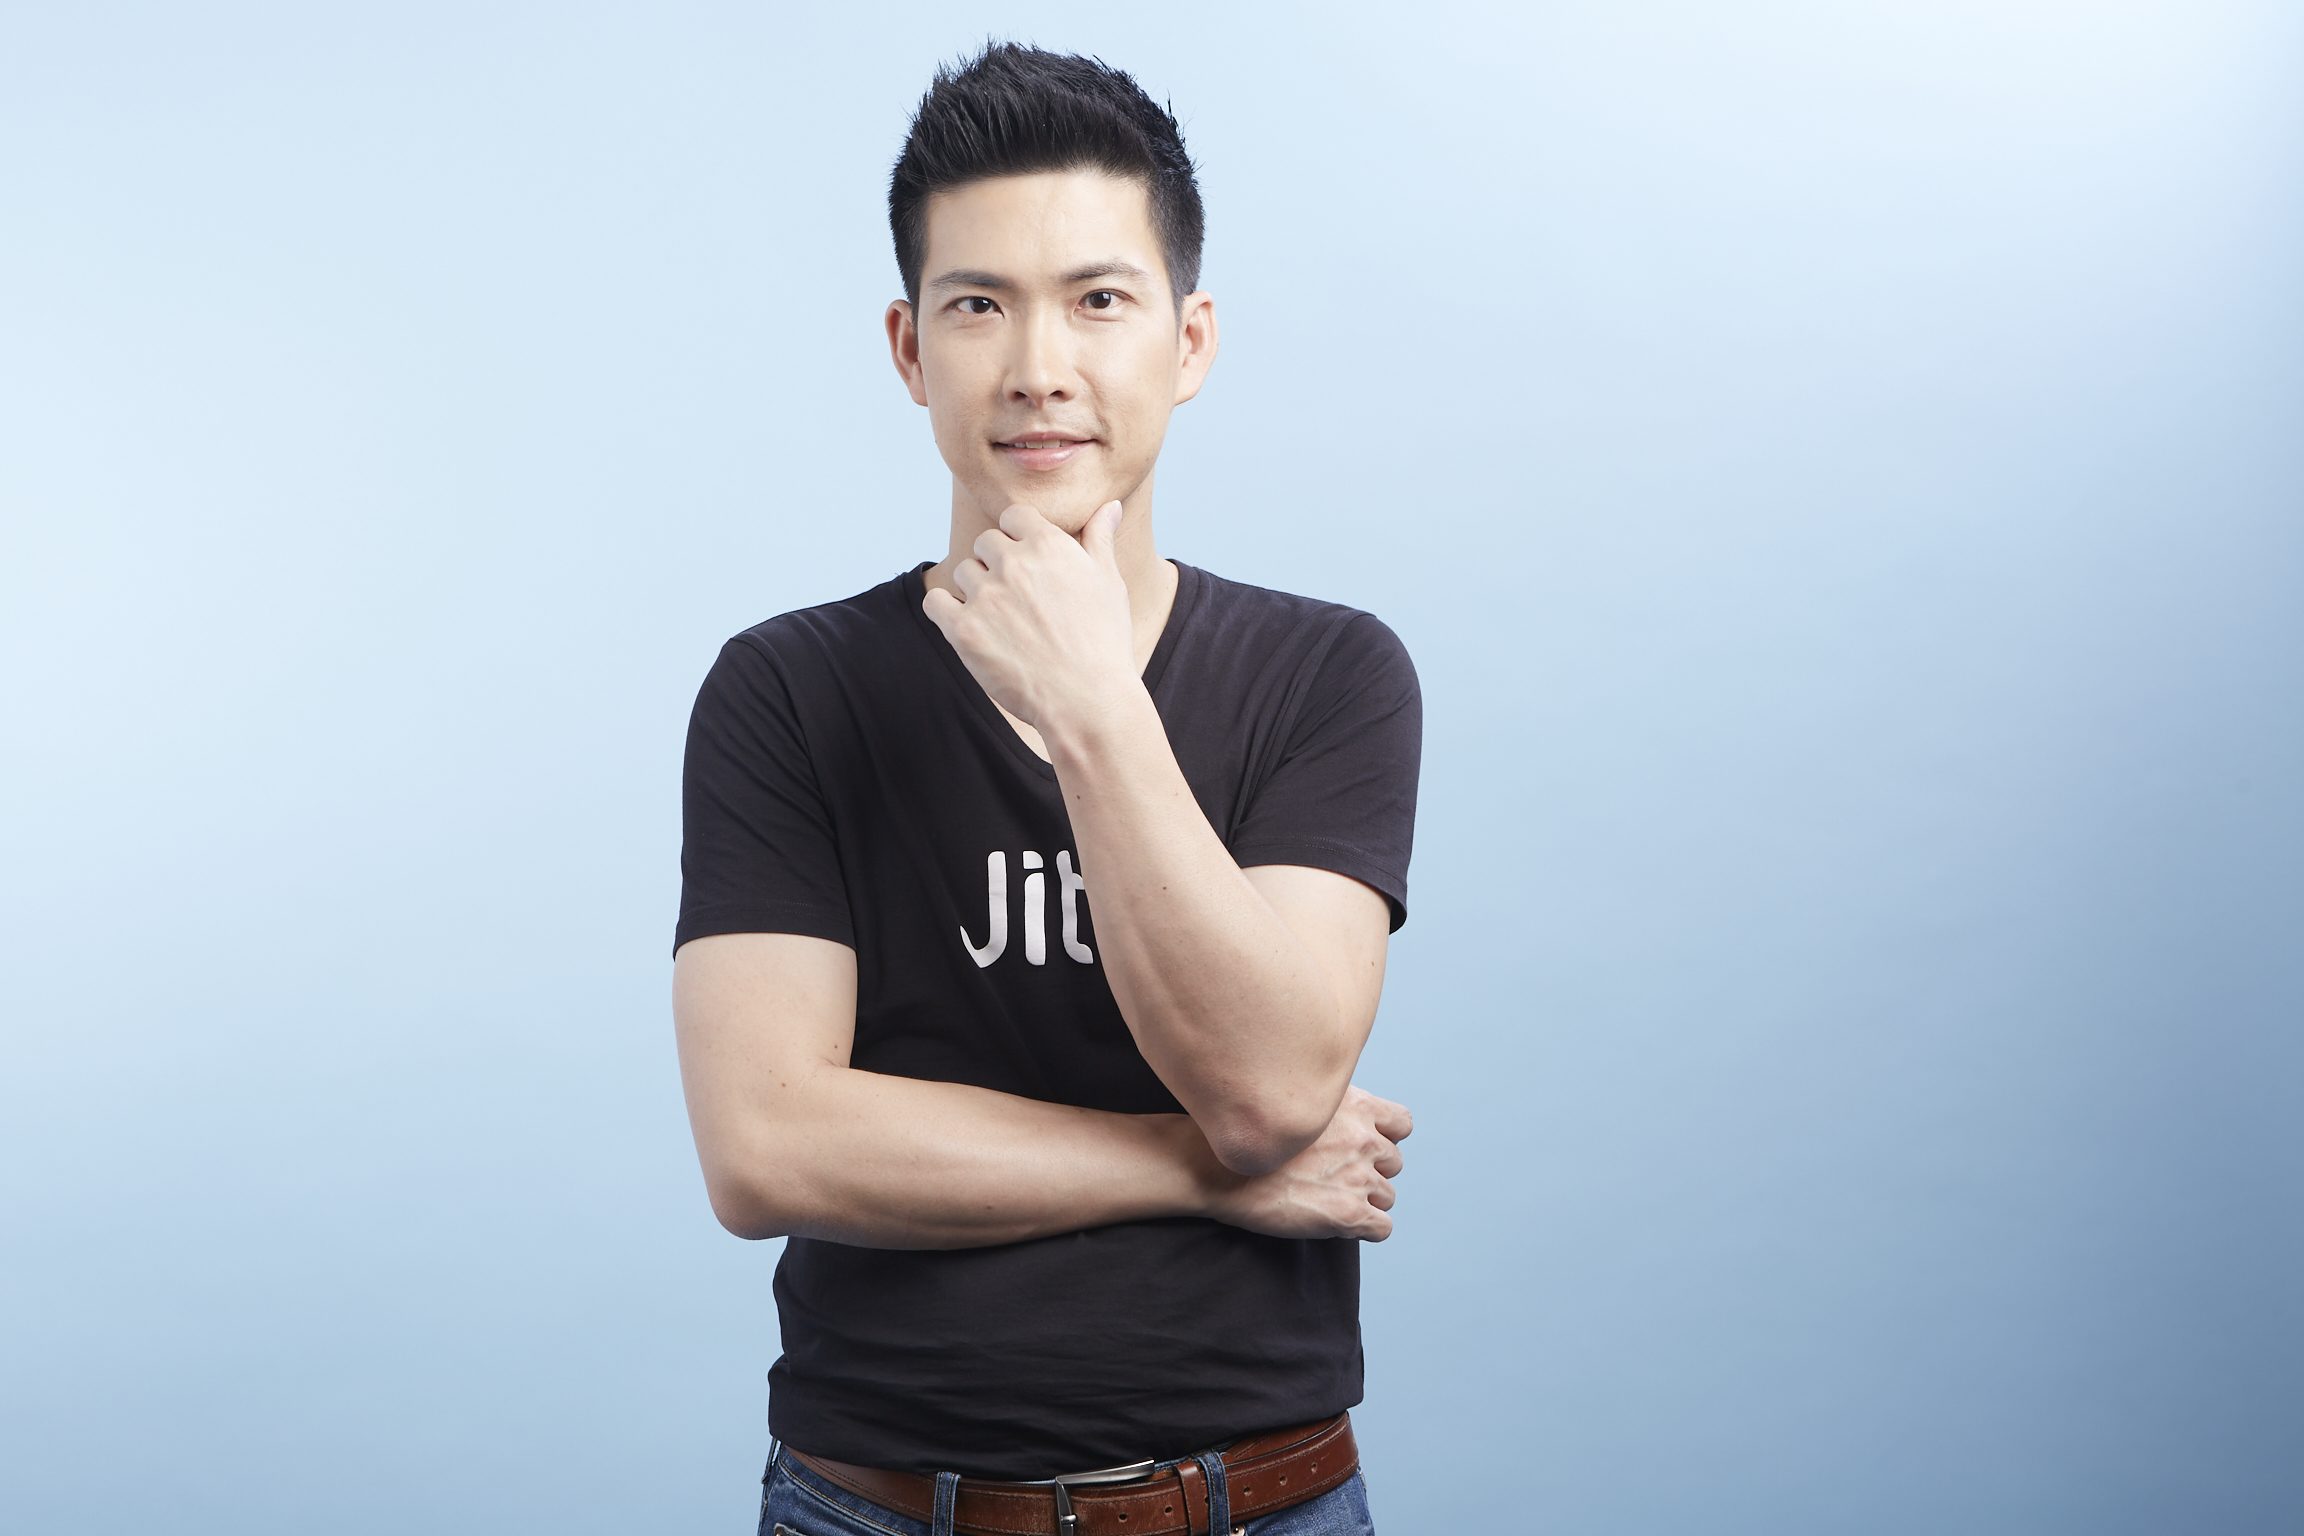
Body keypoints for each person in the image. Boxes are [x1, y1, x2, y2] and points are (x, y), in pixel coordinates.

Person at [671, 38, 1421, 1536]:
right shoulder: (788, 689)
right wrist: (1195, 1173)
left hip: (1259, 1501)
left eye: (1098, 300)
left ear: (1189, 342)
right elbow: (765, 1147)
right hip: (881, 1505)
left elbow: (1271, 1088)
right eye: (978, 305)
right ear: (909, 349)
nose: (1038, 368)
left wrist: (1089, 705)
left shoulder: (1328, 673)